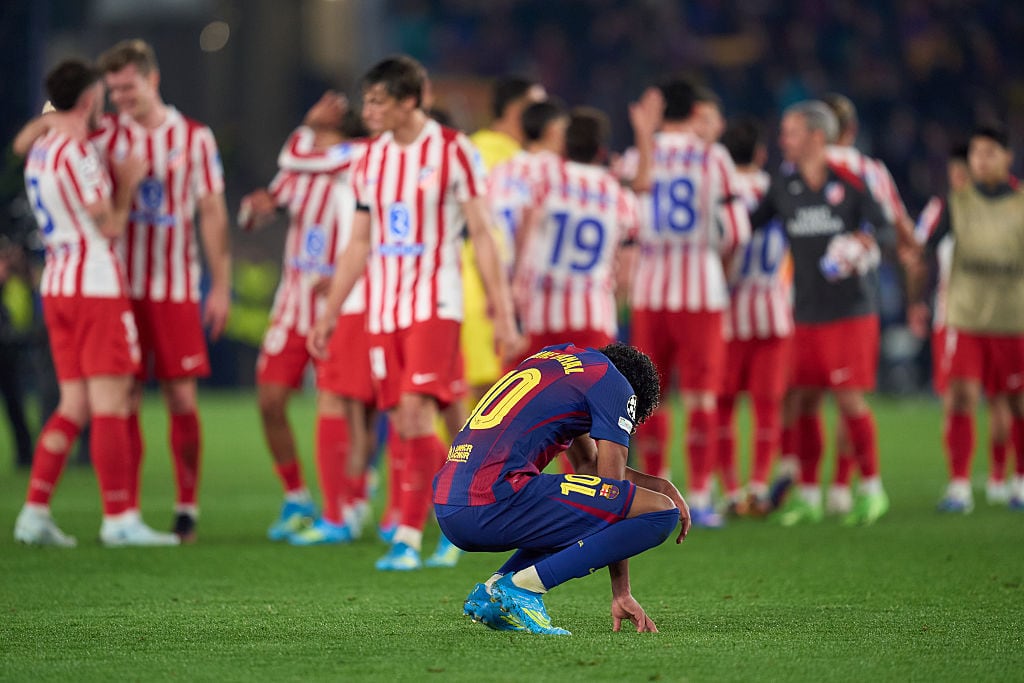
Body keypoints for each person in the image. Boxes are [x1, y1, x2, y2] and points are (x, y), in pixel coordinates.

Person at [308, 55, 522, 571]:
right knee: (421, 420)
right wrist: (330, 312)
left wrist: (503, 310)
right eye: (367, 100)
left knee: (413, 413)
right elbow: (359, 242)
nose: (369, 110)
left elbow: (483, 237)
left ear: (409, 100)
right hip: (384, 309)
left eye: (379, 100)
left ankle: (407, 535)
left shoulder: (454, 152)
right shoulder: (369, 159)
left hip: (435, 302)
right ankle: (464, 520)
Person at [13, 59, 177, 546]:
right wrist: (126, 180)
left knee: (73, 404)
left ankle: (35, 512)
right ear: (87, 99)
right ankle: (120, 519)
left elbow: (21, 142)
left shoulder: (40, 149)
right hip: (95, 286)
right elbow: (108, 224)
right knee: (110, 405)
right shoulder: (79, 152)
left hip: (57, 284)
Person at [433, 342, 690, 635]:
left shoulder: (562, 363)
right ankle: (524, 589)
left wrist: (661, 485)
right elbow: (611, 496)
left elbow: (587, 469)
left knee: (573, 509)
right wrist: (622, 592)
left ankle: (495, 588)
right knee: (661, 513)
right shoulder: (617, 386)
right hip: (492, 498)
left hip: (450, 504)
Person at [94, 40, 231, 541]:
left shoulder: (194, 138)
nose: (120, 98)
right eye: (113, 90)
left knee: (180, 397)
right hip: (120, 289)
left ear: (152, 80)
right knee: (125, 396)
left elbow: (212, 211)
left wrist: (220, 284)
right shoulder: (104, 134)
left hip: (174, 287)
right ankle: (124, 512)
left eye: (127, 87)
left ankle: (186, 506)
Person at [242, 92, 377, 544]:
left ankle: (352, 498)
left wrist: (305, 125)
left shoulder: (356, 161)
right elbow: (263, 206)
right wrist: (254, 210)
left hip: (343, 306)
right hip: (292, 306)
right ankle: (298, 496)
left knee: (352, 408)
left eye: (322, 131)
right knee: (270, 399)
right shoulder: (300, 169)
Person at [749, 101, 892, 526]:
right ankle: (809, 495)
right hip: (805, 311)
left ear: (815, 136)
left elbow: (881, 226)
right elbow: (750, 222)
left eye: (790, 132)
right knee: (805, 401)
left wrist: (861, 245)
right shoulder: (784, 185)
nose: (782, 140)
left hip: (850, 311)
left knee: (849, 399)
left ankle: (872, 488)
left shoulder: (849, 181)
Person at [623, 80, 751, 527]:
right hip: (701, 292)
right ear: (695, 110)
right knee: (701, 397)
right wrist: (722, 270)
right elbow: (737, 231)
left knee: (648, 397)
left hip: (650, 292)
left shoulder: (636, 154)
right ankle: (700, 495)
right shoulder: (711, 156)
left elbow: (626, 224)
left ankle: (657, 494)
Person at [911, 124, 1024, 512]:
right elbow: (919, 250)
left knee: (1017, 402)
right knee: (961, 398)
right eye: (976, 153)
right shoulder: (953, 202)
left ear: (1008, 156)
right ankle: (958, 485)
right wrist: (915, 297)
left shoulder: (1022, 202)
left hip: (1014, 319)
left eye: (990, 152)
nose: (981, 159)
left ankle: (1020, 481)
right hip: (966, 318)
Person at [512, 107, 637, 357]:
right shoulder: (619, 194)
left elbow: (524, 233)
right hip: (594, 312)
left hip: (543, 311)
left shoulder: (547, 179)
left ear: (564, 146)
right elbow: (625, 271)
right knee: (592, 395)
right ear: (601, 150)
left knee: (537, 393)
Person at [716, 117, 792, 515]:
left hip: (728, 313)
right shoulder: (777, 189)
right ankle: (760, 486)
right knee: (767, 407)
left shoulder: (721, 191)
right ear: (761, 154)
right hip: (772, 309)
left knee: (722, 408)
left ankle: (730, 490)